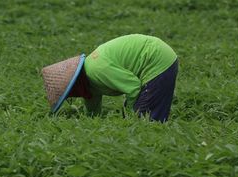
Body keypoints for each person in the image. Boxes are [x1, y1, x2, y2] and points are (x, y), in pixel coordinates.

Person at [41, 34, 178, 122]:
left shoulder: (96, 70)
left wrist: (130, 115)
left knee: (145, 123)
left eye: (70, 93)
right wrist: (90, 125)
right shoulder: (88, 84)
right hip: (156, 57)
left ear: (74, 84)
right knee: (137, 121)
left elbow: (133, 87)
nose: (73, 96)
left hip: (157, 59)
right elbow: (93, 110)